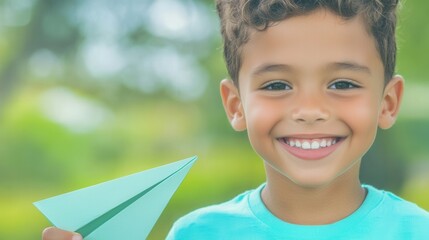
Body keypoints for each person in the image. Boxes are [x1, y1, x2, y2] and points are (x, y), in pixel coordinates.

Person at [42, 0, 429, 239]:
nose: (310, 110)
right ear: (235, 105)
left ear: (388, 102)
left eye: (342, 83)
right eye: (277, 85)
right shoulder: (197, 235)